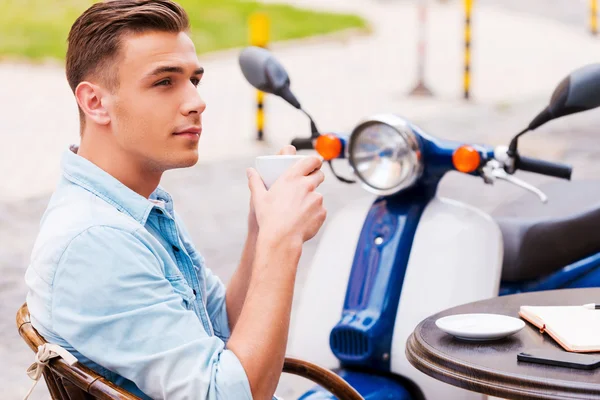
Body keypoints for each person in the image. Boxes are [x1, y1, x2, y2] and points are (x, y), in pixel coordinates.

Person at [24, 1, 326, 399]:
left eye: (194, 80)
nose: (196, 102)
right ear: (95, 102)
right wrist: (282, 243)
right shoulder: (97, 241)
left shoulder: (134, 205)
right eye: (164, 82)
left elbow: (224, 328)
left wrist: (261, 229)